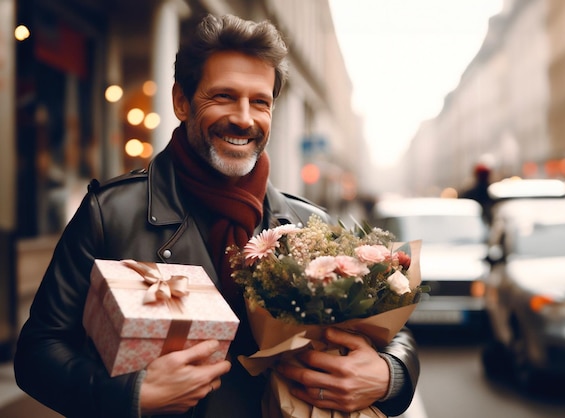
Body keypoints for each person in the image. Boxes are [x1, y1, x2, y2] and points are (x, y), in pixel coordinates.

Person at [14, 13, 420, 418]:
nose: (244, 118)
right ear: (181, 102)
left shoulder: (308, 223)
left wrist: (390, 375)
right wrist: (129, 394)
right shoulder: (111, 213)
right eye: (224, 96)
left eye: (260, 102)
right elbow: (37, 353)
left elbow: (392, 335)